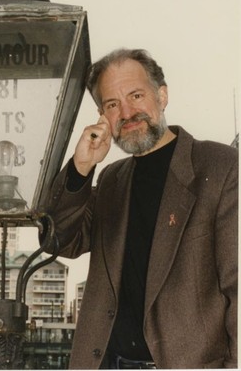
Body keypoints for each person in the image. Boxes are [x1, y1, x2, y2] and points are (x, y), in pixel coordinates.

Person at [42, 48, 238, 369]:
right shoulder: (110, 180)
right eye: (113, 104)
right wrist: (81, 168)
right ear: (102, 116)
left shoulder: (221, 168)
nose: (128, 113)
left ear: (162, 95)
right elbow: (59, 240)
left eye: (136, 95)